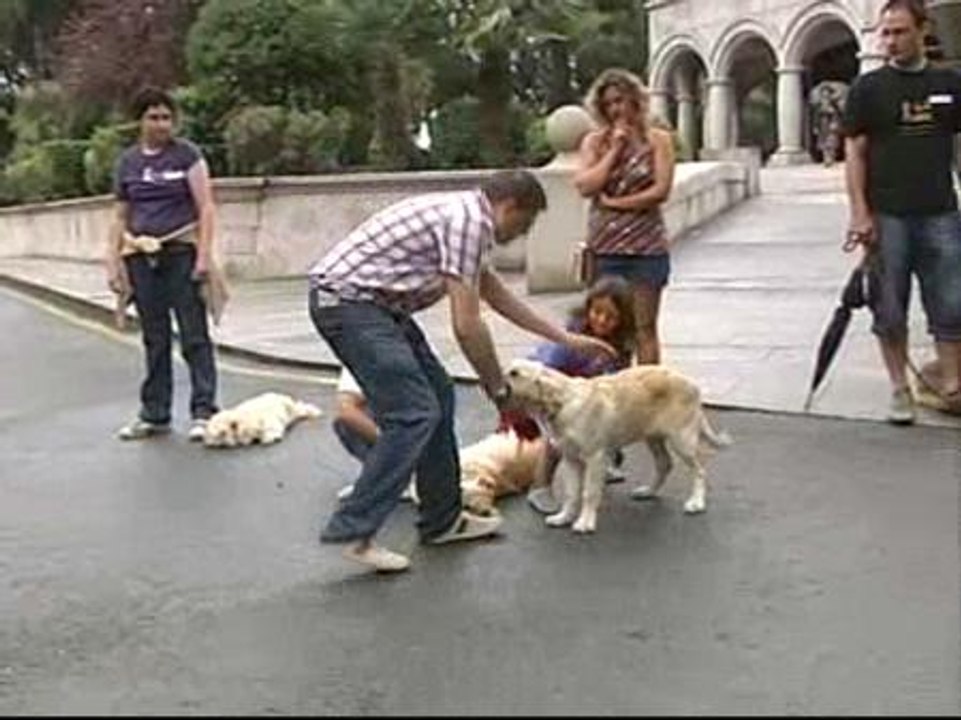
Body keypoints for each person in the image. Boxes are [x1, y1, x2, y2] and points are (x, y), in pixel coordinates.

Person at [307, 169, 616, 573]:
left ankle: (442, 520)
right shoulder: (469, 222)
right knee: (413, 413)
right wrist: (500, 391)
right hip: (349, 305)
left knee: (439, 397)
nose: (521, 235)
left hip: (375, 308)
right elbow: (467, 325)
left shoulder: (463, 216)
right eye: (524, 224)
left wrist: (566, 338)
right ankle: (357, 530)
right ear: (509, 207)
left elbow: (498, 296)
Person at [842, 0, 961, 423]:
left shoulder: (949, 82)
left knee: (950, 303)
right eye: (885, 32)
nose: (891, 40)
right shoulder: (868, 89)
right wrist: (860, 213)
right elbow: (854, 152)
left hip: (941, 211)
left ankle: (952, 385)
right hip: (887, 215)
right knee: (889, 306)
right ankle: (899, 389)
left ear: (921, 29)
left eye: (899, 31)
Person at [106, 87, 221, 441]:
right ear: (139, 121)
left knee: (194, 336)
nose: (161, 124)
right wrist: (113, 262)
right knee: (154, 338)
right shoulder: (128, 163)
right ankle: (155, 414)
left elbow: (206, 207)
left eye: (167, 117)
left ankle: (204, 411)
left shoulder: (187, 155)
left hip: (180, 252)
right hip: (142, 257)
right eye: (154, 117)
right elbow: (120, 215)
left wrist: (203, 255)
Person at [573, 67, 677, 366]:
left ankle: (646, 395)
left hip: (647, 248)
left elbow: (661, 190)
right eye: (609, 104)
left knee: (644, 327)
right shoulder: (594, 142)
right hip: (606, 248)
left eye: (621, 100)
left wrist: (617, 204)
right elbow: (585, 185)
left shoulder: (658, 140)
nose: (616, 108)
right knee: (605, 328)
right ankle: (609, 389)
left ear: (636, 100)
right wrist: (615, 149)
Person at [523, 275, 638, 514]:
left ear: (623, 320)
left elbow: (616, 380)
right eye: (597, 312)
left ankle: (604, 462)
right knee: (558, 439)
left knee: (608, 417)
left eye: (611, 317)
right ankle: (540, 485)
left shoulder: (621, 345)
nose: (602, 320)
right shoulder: (571, 338)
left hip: (588, 394)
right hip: (550, 391)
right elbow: (547, 373)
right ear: (588, 309)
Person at [331, 367, 416, 504]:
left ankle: (418, 476)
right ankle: (379, 477)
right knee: (345, 423)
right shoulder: (357, 356)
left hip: (417, 419)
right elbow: (346, 409)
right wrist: (387, 443)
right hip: (389, 423)